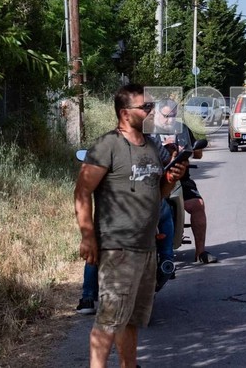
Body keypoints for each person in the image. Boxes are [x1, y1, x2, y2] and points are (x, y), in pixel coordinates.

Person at [74, 84, 188, 368]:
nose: (151, 111)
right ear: (125, 113)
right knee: (109, 320)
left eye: (151, 106)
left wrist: (172, 178)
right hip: (117, 248)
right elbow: (82, 191)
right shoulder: (107, 145)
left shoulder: (151, 146)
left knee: (131, 319)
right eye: (145, 107)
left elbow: (157, 193)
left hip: (146, 247)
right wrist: (87, 236)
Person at [150, 98, 217, 264]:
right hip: (154, 177)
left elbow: (198, 153)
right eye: (166, 116)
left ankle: (200, 252)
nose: (170, 120)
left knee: (198, 205)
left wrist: (194, 149)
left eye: (173, 116)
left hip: (180, 177)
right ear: (156, 113)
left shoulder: (182, 129)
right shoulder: (147, 131)